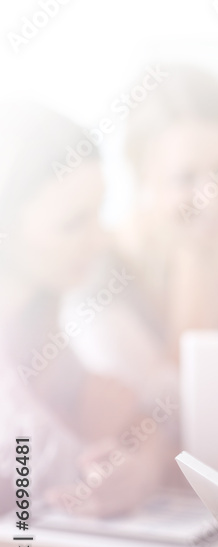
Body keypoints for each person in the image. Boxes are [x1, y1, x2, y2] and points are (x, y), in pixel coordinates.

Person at [67, 65, 218, 403]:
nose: (211, 199)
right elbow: (160, 422)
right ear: (143, 179)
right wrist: (193, 273)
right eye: (185, 178)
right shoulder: (97, 274)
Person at [0, 105, 171, 517]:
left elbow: (140, 423)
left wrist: (139, 469)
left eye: (98, 213)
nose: (100, 240)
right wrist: (88, 437)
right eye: (73, 223)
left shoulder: (39, 318)